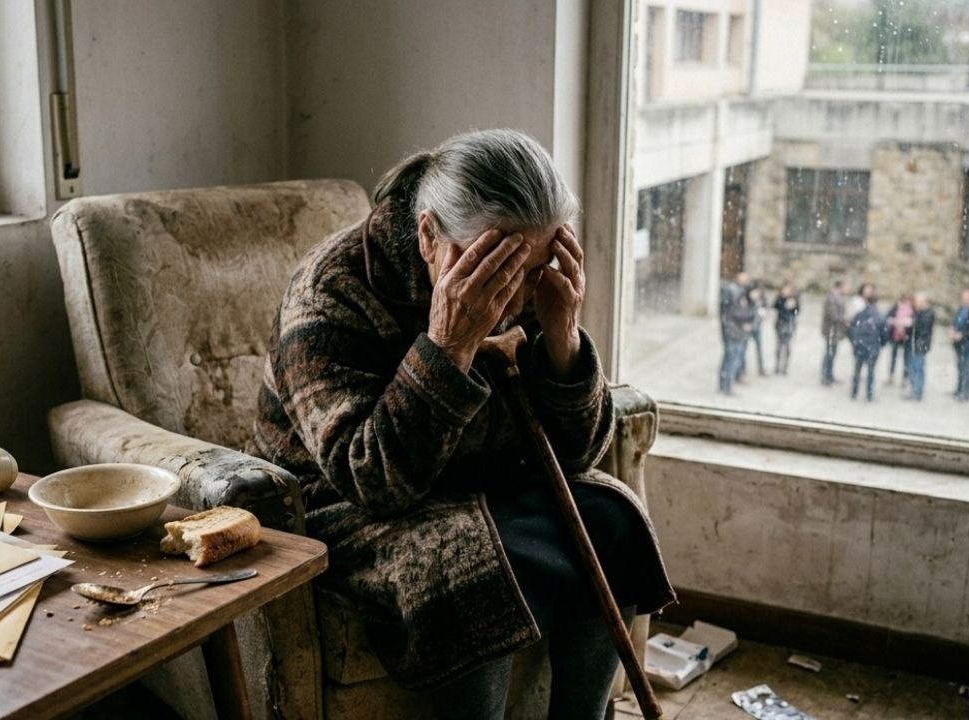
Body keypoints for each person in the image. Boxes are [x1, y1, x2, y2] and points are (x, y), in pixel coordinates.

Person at [251, 129, 674, 720]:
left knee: (611, 519)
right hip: (343, 505)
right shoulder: (330, 293)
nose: (512, 298)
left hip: (475, 483)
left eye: (532, 270)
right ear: (428, 234)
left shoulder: (529, 291)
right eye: (495, 269)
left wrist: (562, 342)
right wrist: (449, 344)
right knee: (468, 565)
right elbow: (374, 481)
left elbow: (577, 455)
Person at [847, 283, 885, 402]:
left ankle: (854, 392)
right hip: (872, 347)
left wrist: (855, 341)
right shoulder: (879, 316)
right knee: (870, 372)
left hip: (860, 346)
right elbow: (885, 333)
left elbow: (850, 328)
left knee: (857, 370)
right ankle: (869, 395)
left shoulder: (860, 314)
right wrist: (880, 344)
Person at [720, 287, 757, 394]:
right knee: (730, 362)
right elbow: (736, 319)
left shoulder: (749, 305)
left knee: (733, 362)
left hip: (739, 337)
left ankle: (727, 385)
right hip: (734, 337)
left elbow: (752, 319)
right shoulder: (737, 306)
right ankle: (726, 386)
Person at [719, 272, 749, 386]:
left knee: (736, 356)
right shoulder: (732, 293)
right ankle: (726, 384)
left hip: (737, 330)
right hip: (732, 331)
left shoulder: (743, 292)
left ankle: (733, 379)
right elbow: (729, 314)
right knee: (730, 357)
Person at [905, 292, 935, 401]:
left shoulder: (928, 313)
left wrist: (911, 324)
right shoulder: (918, 312)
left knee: (918, 368)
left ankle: (918, 391)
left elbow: (923, 329)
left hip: (920, 345)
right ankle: (913, 389)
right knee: (912, 368)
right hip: (913, 344)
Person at [821, 279, 850, 385]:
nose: (848, 289)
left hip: (836, 331)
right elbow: (833, 315)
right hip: (831, 331)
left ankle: (830, 375)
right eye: (846, 286)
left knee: (832, 354)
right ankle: (825, 376)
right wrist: (846, 320)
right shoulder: (832, 298)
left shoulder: (839, 297)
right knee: (829, 354)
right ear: (840, 286)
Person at [885, 293, 914, 386]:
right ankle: (891, 376)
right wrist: (895, 322)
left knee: (906, 358)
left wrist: (906, 325)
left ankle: (904, 378)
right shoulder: (895, 308)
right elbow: (888, 317)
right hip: (895, 336)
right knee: (893, 357)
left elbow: (913, 323)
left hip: (906, 337)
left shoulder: (912, 310)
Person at [773, 280, 800, 375]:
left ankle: (785, 367)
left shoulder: (795, 298)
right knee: (779, 347)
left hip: (789, 325)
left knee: (787, 347)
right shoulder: (780, 297)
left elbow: (797, 312)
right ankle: (777, 366)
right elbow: (775, 307)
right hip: (780, 324)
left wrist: (794, 306)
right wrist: (782, 299)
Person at [743, 280, 768, 379]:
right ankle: (741, 371)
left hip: (757, 327)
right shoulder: (748, 298)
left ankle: (761, 368)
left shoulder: (762, 299)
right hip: (748, 327)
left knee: (759, 348)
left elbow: (765, 308)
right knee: (743, 350)